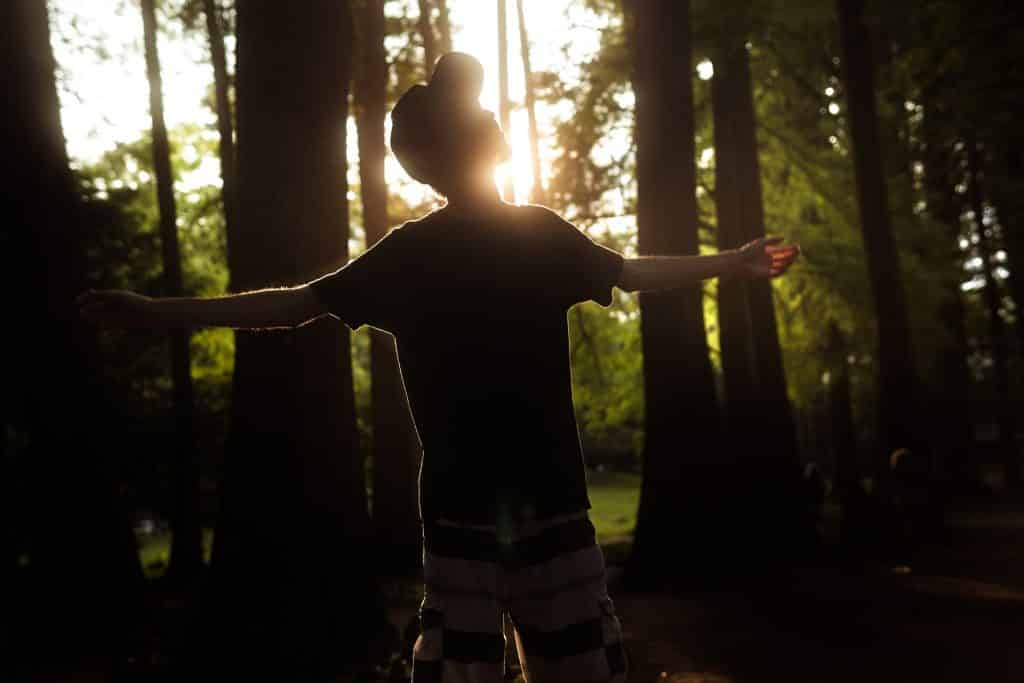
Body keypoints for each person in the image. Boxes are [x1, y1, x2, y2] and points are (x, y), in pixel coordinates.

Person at [79, 52, 799, 683]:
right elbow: (633, 274)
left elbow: (295, 306)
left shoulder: (430, 252)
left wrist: (156, 311)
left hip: (479, 514)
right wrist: (729, 264)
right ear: (478, 146)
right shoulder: (528, 238)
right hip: (526, 508)